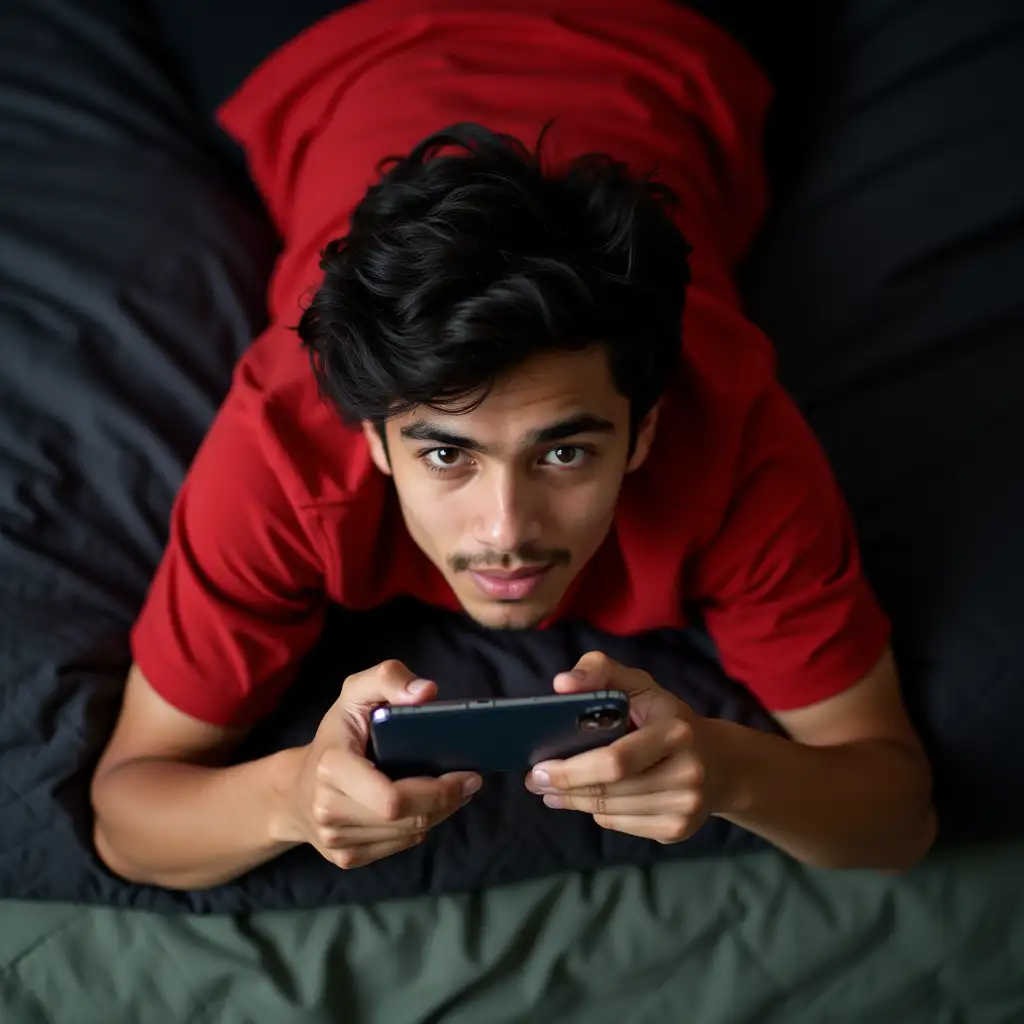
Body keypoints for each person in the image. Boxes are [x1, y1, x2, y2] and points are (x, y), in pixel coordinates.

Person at [90, 0, 936, 890]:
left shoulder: (734, 447)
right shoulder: (286, 454)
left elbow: (898, 814)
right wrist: (288, 800)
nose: (506, 531)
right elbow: (127, 820)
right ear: (373, 439)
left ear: (645, 428)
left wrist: (735, 771)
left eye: (563, 454)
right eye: (447, 455)